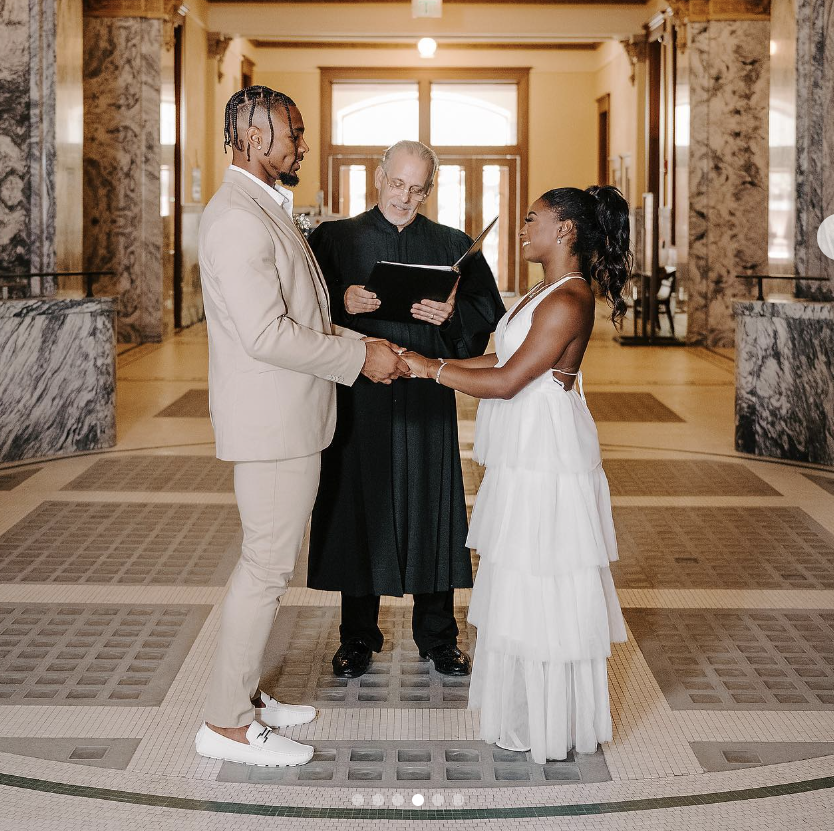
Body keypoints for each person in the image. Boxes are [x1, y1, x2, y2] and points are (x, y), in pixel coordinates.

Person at [194, 86, 409, 769]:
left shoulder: (264, 207)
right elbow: (265, 334)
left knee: (266, 565)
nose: (302, 145)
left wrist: (364, 344)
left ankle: (246, 699)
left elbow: (305, 317)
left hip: (291, 416)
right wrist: (358, 355)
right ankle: (225, 725)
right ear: (254, 140)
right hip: (272, 425)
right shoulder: (236, 217)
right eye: (294, 133)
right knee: (263, 568)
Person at [403, 185, 631, 764]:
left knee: (543, 579)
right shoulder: (544, 291)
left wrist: (431, 370)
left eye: (534, 218)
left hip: (546, 457)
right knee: (522, 577)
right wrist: (420, 365)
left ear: (566, 231)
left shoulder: (570, 299)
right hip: (526, 450)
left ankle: (552, 721)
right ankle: (528, 709)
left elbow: (508, 382)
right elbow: (502, 360)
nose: (523, 226)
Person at [307, 140, 505, 679]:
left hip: (425, 395)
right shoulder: (335, 238)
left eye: (418, 189)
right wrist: (340, 300)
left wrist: (450, 312)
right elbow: (294, 306)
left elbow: (488, 313)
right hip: (357, 395)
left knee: (432, 507)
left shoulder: (452, 243)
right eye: (397, 184)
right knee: (359, 507)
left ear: (429, 190)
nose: (405, 197)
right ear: (378, 177)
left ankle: (439, 637)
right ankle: (358, 637)